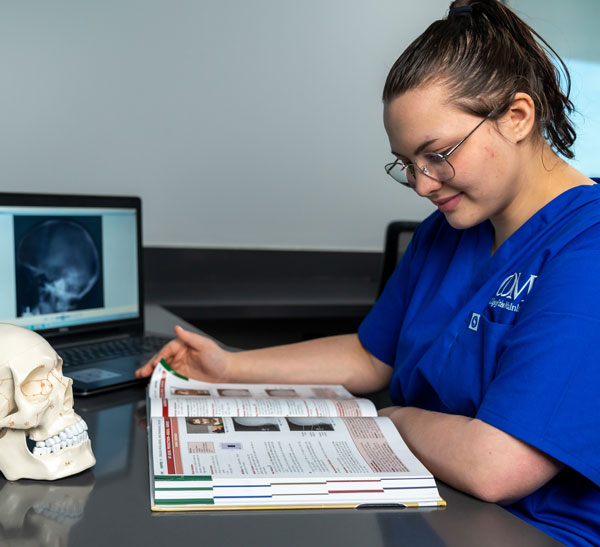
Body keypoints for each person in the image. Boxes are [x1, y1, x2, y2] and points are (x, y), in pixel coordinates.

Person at [136, 1, 599, 544]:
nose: (423, 184)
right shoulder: (448, 230)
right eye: (406, 164)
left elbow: (498, 465)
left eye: (437, 154)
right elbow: (371, 353)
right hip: (431, 501)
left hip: (527, 529)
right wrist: (229, 368)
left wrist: (390, 421)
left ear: (517, 117)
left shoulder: (585, 247)